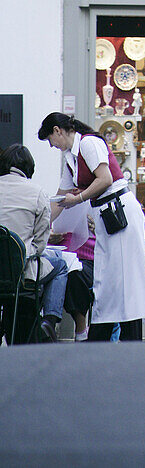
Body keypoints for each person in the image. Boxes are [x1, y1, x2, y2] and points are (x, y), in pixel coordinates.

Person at [38, 113, 145, 340]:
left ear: (57, 130)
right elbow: (61, 198)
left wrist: (80, 198)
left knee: (123, 280)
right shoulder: (70, 158)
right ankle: (107, 337)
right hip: (108, 215)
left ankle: (118, 337)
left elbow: (105, 179)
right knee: (110, 280)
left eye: (50, 140)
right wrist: (42, 226)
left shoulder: (89, 143)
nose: (52, 146)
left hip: (119, 213)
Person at [0, 144, 69, 343]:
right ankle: (49, 320)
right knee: (61, 266)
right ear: (29, 167)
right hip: (20, 273)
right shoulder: (37, 192)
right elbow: (40, 243)